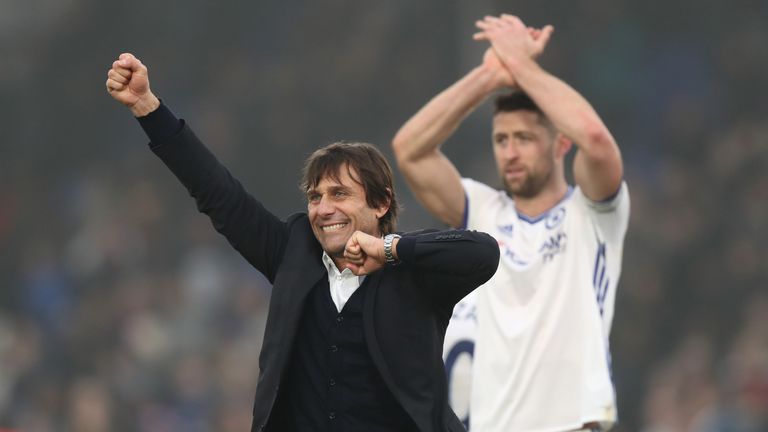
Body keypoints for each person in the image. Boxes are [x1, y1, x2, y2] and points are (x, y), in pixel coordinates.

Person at [105, 53, 500, 432]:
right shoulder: (292, 251)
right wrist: (148, 108)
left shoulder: (414, 273)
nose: (323, 209)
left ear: (380, 203)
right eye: (315, 197)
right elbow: (217, 193)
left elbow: (483, 252)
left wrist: (390, 250)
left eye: (339, 194)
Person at [392, 14, 630, 432]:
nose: (511, 152)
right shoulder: (485, 213)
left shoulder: (593, 213)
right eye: (502, 140)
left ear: (560, 142)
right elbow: (409, 149)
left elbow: (595, 139)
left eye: (524, 138)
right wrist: (488, 75)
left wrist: (522, 66)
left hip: (573, 424)